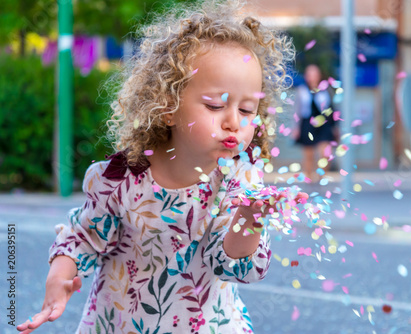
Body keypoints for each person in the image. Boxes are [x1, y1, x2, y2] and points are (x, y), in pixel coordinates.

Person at [17, 1, 306, 333]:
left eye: (247, 110)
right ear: (167, 106)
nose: (233, 122)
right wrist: (59, 278)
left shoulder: (238, 179)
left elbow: (231, 265)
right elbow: (84, 237)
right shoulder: (119, 178)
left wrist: (250, 217)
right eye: (215, 105)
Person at [294, 64, 336, 180]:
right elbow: (298, 110)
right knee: (309, 154)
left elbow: (331, 109)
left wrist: (335, 126)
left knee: (325, 153)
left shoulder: (326, 90)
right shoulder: (302, 90)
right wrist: (296, 127)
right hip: (308, 123)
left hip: (324, 124)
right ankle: (309, 177)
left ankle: (321, 176)